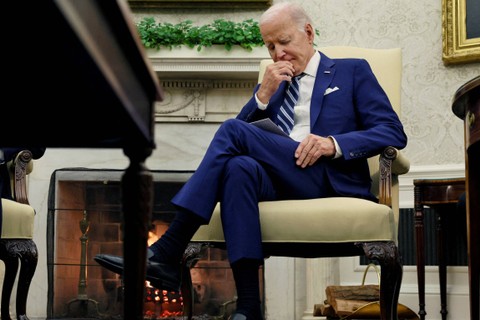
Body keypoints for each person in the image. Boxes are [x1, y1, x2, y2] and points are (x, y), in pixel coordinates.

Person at [94, 2, 408, 319]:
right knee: (237, 168)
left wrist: (332, 143)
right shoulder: (273, 84)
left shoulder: (351, 70)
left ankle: (169, 247)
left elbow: (392, 131)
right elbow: (240, 135)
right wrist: (262, 96)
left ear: (308, 33)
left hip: (327, 177)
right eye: (270, 46)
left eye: (284, 41)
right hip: (279, 177)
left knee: (231, 132)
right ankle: (248, 307)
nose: (277, 53)